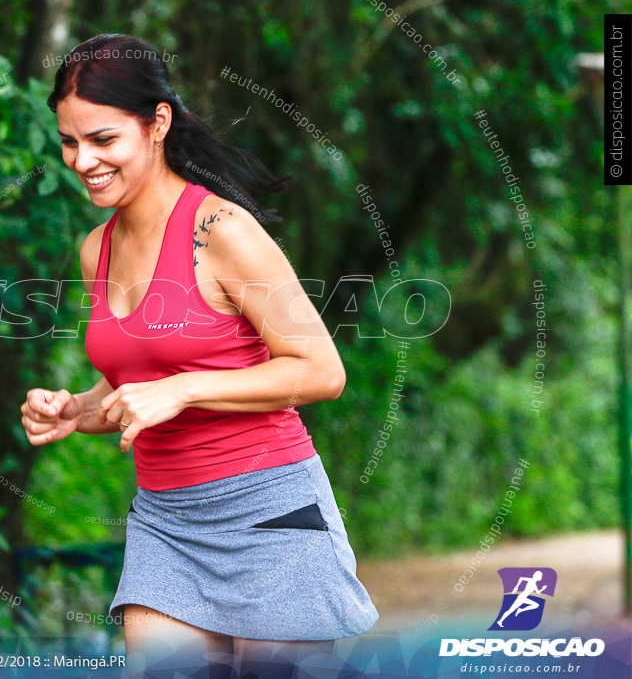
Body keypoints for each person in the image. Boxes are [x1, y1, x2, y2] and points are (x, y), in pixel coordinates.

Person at [21, 33, 378, 675]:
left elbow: (321, 371)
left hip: (272, 512)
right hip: (166, 522)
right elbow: (136, 388)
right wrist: (76, 409)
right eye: (70, 143)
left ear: (157, 123)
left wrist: (185, 388)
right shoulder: (94, 249)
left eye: (103, 140)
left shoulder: (221, 230)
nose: (82, 161)